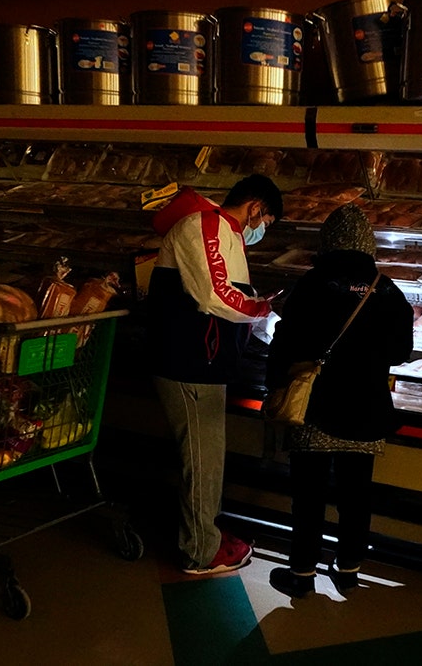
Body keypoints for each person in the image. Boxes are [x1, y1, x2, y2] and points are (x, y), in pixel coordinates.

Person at [265, 203, 414, 598]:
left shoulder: (312, 284)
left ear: (328, 241)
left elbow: (286, 339)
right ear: (368, 243)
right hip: (367, 409)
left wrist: (274, 383)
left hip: (316, 406)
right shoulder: (387, 288)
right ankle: (348, 569)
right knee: (356, 494)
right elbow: (402, 351)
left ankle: (301, 575)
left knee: (309, 495)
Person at [146, 174, 282, 574]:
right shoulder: (205, 224)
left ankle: (206, 532)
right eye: (267, 221)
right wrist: (260, 311)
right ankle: (199, 552)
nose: (262, 230)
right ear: (256, 207)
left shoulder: (226, 234)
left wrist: (270, 325)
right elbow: (214, 295)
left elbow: (233, 296)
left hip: (206, 363)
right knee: (202, 460)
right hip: (188, 363)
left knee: (208, 458)